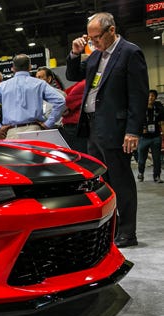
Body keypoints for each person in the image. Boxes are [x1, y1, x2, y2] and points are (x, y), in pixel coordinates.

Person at [66, 12, 149, 248]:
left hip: (116, 127)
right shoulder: (95, 57)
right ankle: (112, 227)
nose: (94, 42)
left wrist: (132, 131)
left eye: (97, 37)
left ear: (111, 30)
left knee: (121, 181)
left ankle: (128, 232)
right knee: (104, 183)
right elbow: (73, 75)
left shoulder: (130, 52)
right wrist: (74, 52)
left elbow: (138, 95)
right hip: (93, 127)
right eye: (90, 38)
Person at [0, 54, 65, 139]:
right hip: (35, 131)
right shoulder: (39, 84)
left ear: (13, 68)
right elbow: (60, 100)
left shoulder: (3, 86)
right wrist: (49, 123)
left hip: (13, 132)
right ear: (30, 67)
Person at [137, 90, 164, 183]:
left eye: (152, 96)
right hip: (143, 137)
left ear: (155, 98)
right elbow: (136, 122)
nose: (150, 98)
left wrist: (162, 136)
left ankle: (157, 176)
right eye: (148, 96)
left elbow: (162, 123)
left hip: (156, 137)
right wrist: (140, 130)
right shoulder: (140, 109)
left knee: (157, 159)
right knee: (141, 158)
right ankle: (141, 173)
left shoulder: (159, 109)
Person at [61, 80, 88, 152]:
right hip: (76, 126)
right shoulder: (83, 83)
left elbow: (64, 109)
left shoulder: (83, 84)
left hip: (74, 126)